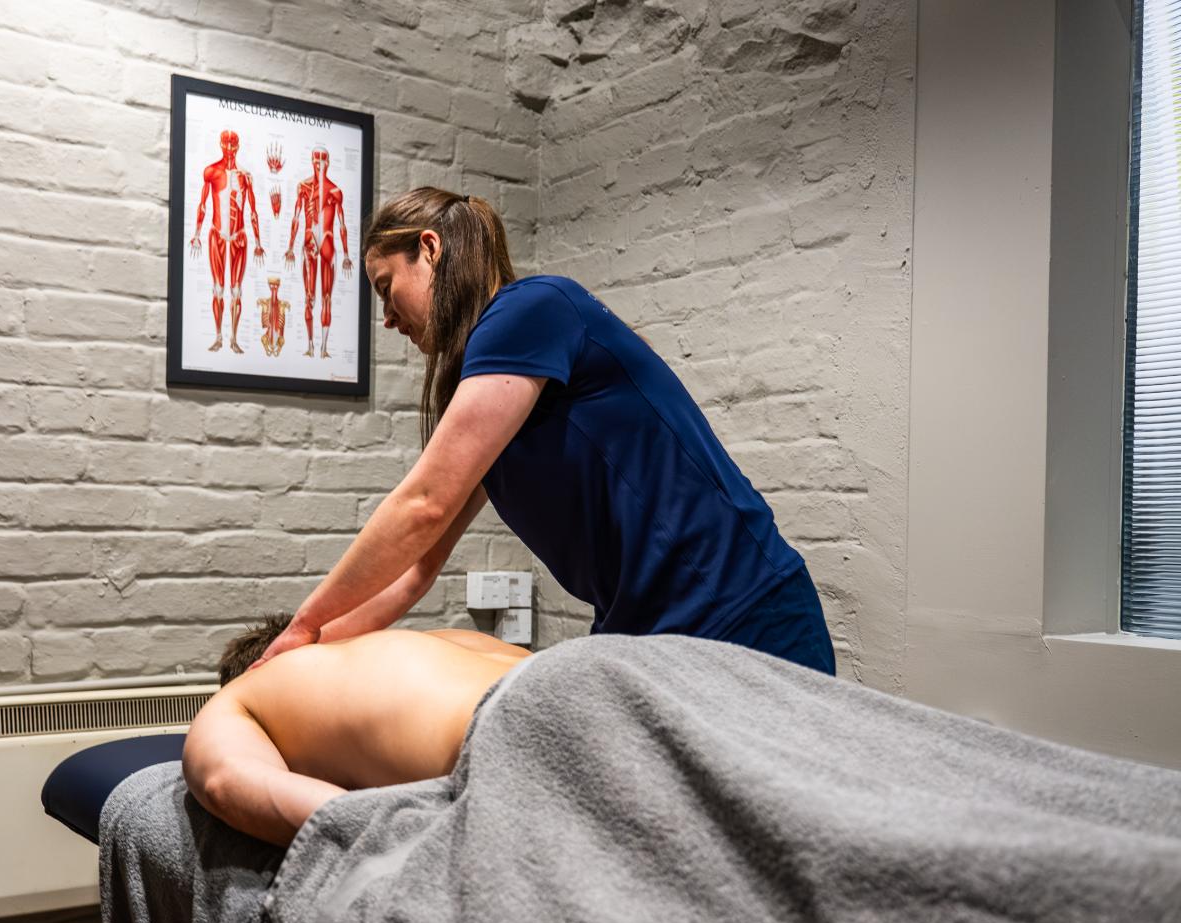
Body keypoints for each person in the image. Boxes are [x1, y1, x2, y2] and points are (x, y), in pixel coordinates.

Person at [254, 187, 834, 675]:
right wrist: (303, 650)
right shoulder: (491, 377)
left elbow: (424, 504)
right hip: (646, 637)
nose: (386, 318)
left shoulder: (530, 309)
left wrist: (305, 622)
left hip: (739, 610)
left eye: (386, 288)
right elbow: (414, 571)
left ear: (429, 249)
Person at [182, 614, 530, 847]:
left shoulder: (240, 693)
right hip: (554, 672)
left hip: (502, 731)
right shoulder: (440, 639)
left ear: (255, 666)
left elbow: (222, 784)